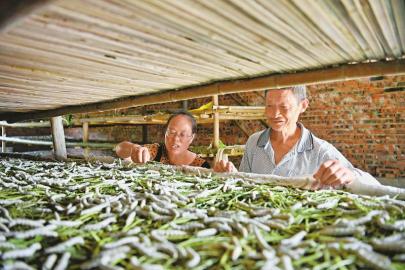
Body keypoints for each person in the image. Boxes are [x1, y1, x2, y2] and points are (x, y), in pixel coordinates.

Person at [214, 85, 380, 189]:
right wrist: (232, 174)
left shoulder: (319, 150)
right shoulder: (254, 142)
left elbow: (372, 185)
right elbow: (245, 183)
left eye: (284, 107)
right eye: (269, 106)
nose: (274, 114)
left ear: (303, 106)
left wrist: (349, 176)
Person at [115, 111, 210, 168]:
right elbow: (119, 148)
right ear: (165, 132)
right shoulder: (155, 152)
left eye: (182, 134)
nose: (176, 138)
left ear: (191, 138)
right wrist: (134, 148)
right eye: (172, 132)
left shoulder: (201, 166)